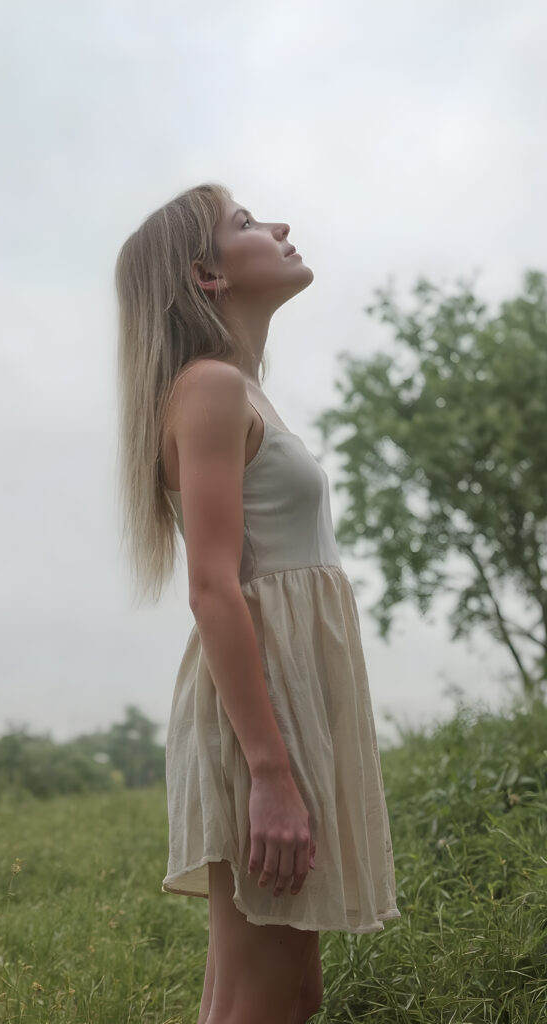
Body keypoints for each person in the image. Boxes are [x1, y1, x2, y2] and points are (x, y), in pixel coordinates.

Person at [114, 183, 401, 1024]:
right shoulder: (209, 388)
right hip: (259, 714)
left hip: (284, 701)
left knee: (276, 994)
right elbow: (213, 588)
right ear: (205, 273)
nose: (278, 227)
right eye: (246, 224)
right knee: (264, 997)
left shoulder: (237, 391)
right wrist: (271, 773)